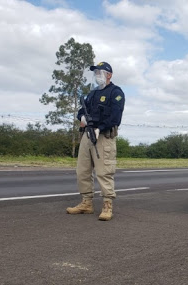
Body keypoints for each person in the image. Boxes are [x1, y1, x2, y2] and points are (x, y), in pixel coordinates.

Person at [66, 62, 125, 221]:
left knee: (104, 171)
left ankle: (107, 205)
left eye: (100, 72)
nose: (97, 75)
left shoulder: (116, 92)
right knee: (82, 170)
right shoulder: (92, 94)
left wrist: (101, 128)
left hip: (104, 136)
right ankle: (86, 203)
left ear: (109, 75)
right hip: (87, 135)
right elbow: (81, 111)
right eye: (95, 72)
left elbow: (115, 117)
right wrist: (82, 117)